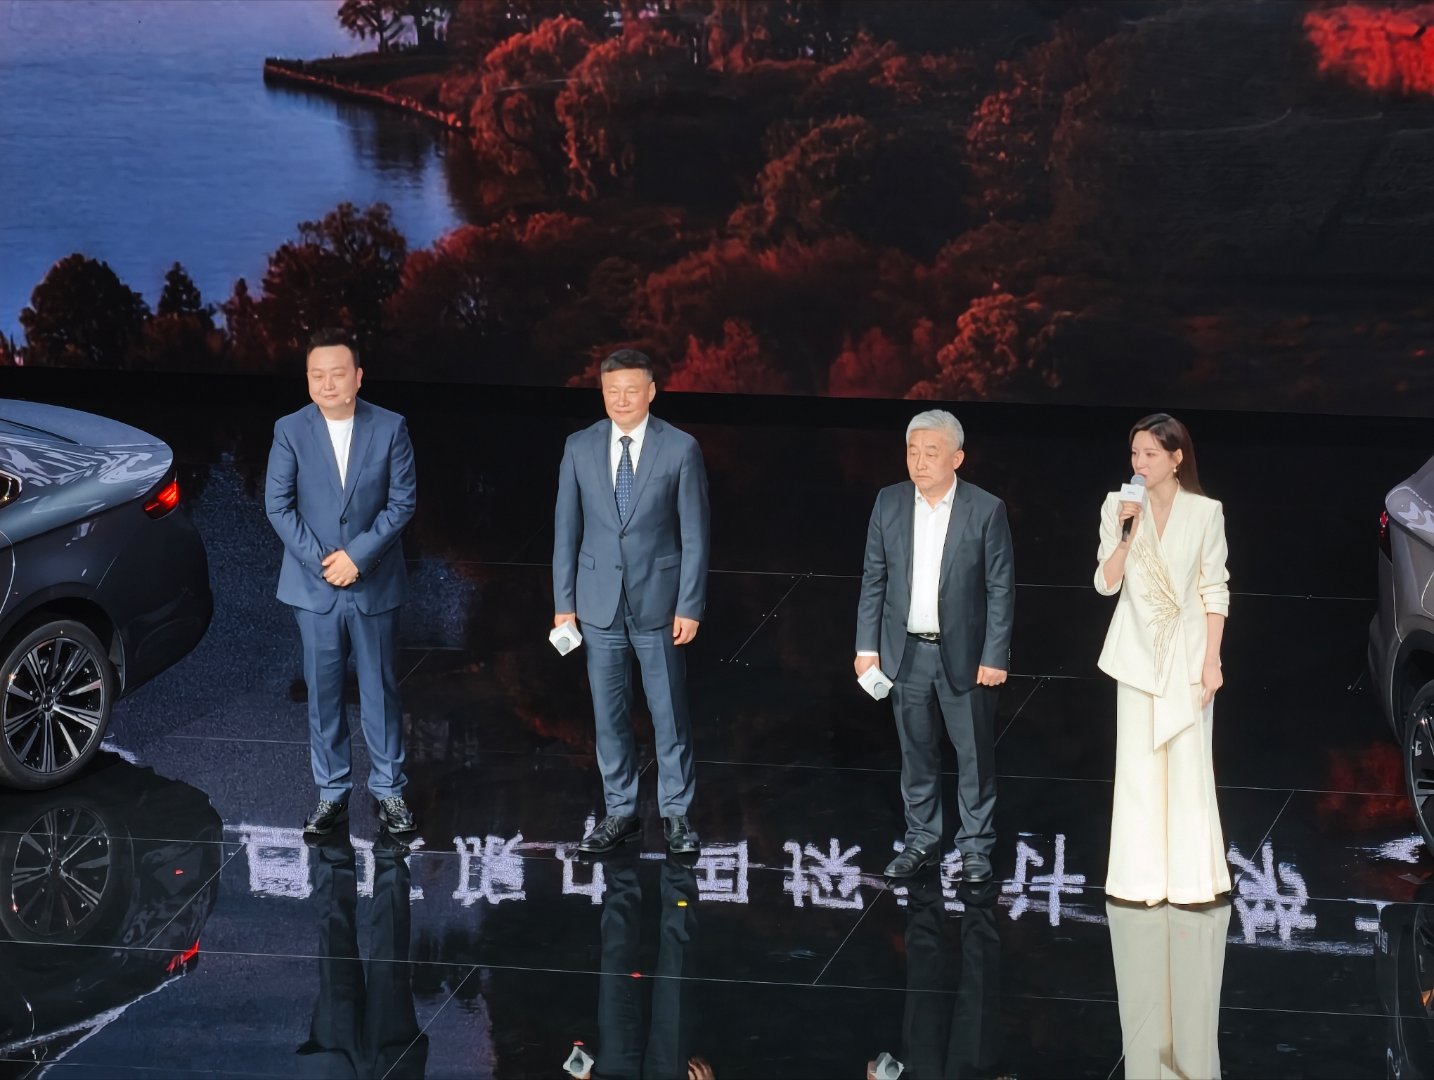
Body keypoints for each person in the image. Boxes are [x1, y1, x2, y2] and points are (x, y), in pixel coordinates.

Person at [553, 350, 710, 856]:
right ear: (602, 393)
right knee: (609, 714)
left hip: (659, 604)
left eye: (631, 390)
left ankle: (676, 814)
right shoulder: (579, 446)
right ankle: (619, 811)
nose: (621, 400)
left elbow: (695, 534)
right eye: (612, 391)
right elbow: (565, 531)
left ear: (651, 391)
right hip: (597, 604)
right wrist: (563, 604)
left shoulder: (680, 448)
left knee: (669, 712)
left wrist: (690, 604)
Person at [265, 328, 418, 836]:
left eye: (337, 374)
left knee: (380, 691)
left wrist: (357, 558)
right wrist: (325, 563)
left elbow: (401, 504)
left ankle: (390, 790)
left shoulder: (390, 427)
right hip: (314, 589)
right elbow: (278, 506)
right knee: (323, 692)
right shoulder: (290, 429)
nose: (327, 384)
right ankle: (331, 792)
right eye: (317, 375)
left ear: (358, 377)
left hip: (374, 583)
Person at [855, 410, 1015, 882]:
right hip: (904, 654)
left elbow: (1001, 588)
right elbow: (874, 578)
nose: (919, 462)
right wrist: (866, 647)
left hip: (965, 655)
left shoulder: (985, 509)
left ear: (957, 458)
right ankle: (921, 839)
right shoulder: (888, 502)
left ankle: (975, 847)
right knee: (916, 753)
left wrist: (994, 654)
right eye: (913, 451)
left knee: (974, 756)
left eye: (931, 452)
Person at [1094, 413, 1230, 905]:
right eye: (1135, 454)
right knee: (1138, 768)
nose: (1140, 463)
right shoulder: (1118, 506)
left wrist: (1211, 660)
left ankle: (1193, 881)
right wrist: (1126, 536)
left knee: (1189, 767)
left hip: (1189, 654)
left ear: (1176, 458)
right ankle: (1139, 880)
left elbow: (1215, 589)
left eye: (1151, 454)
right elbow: (1105, 583)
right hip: (1135, 651)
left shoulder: (1206, 512)